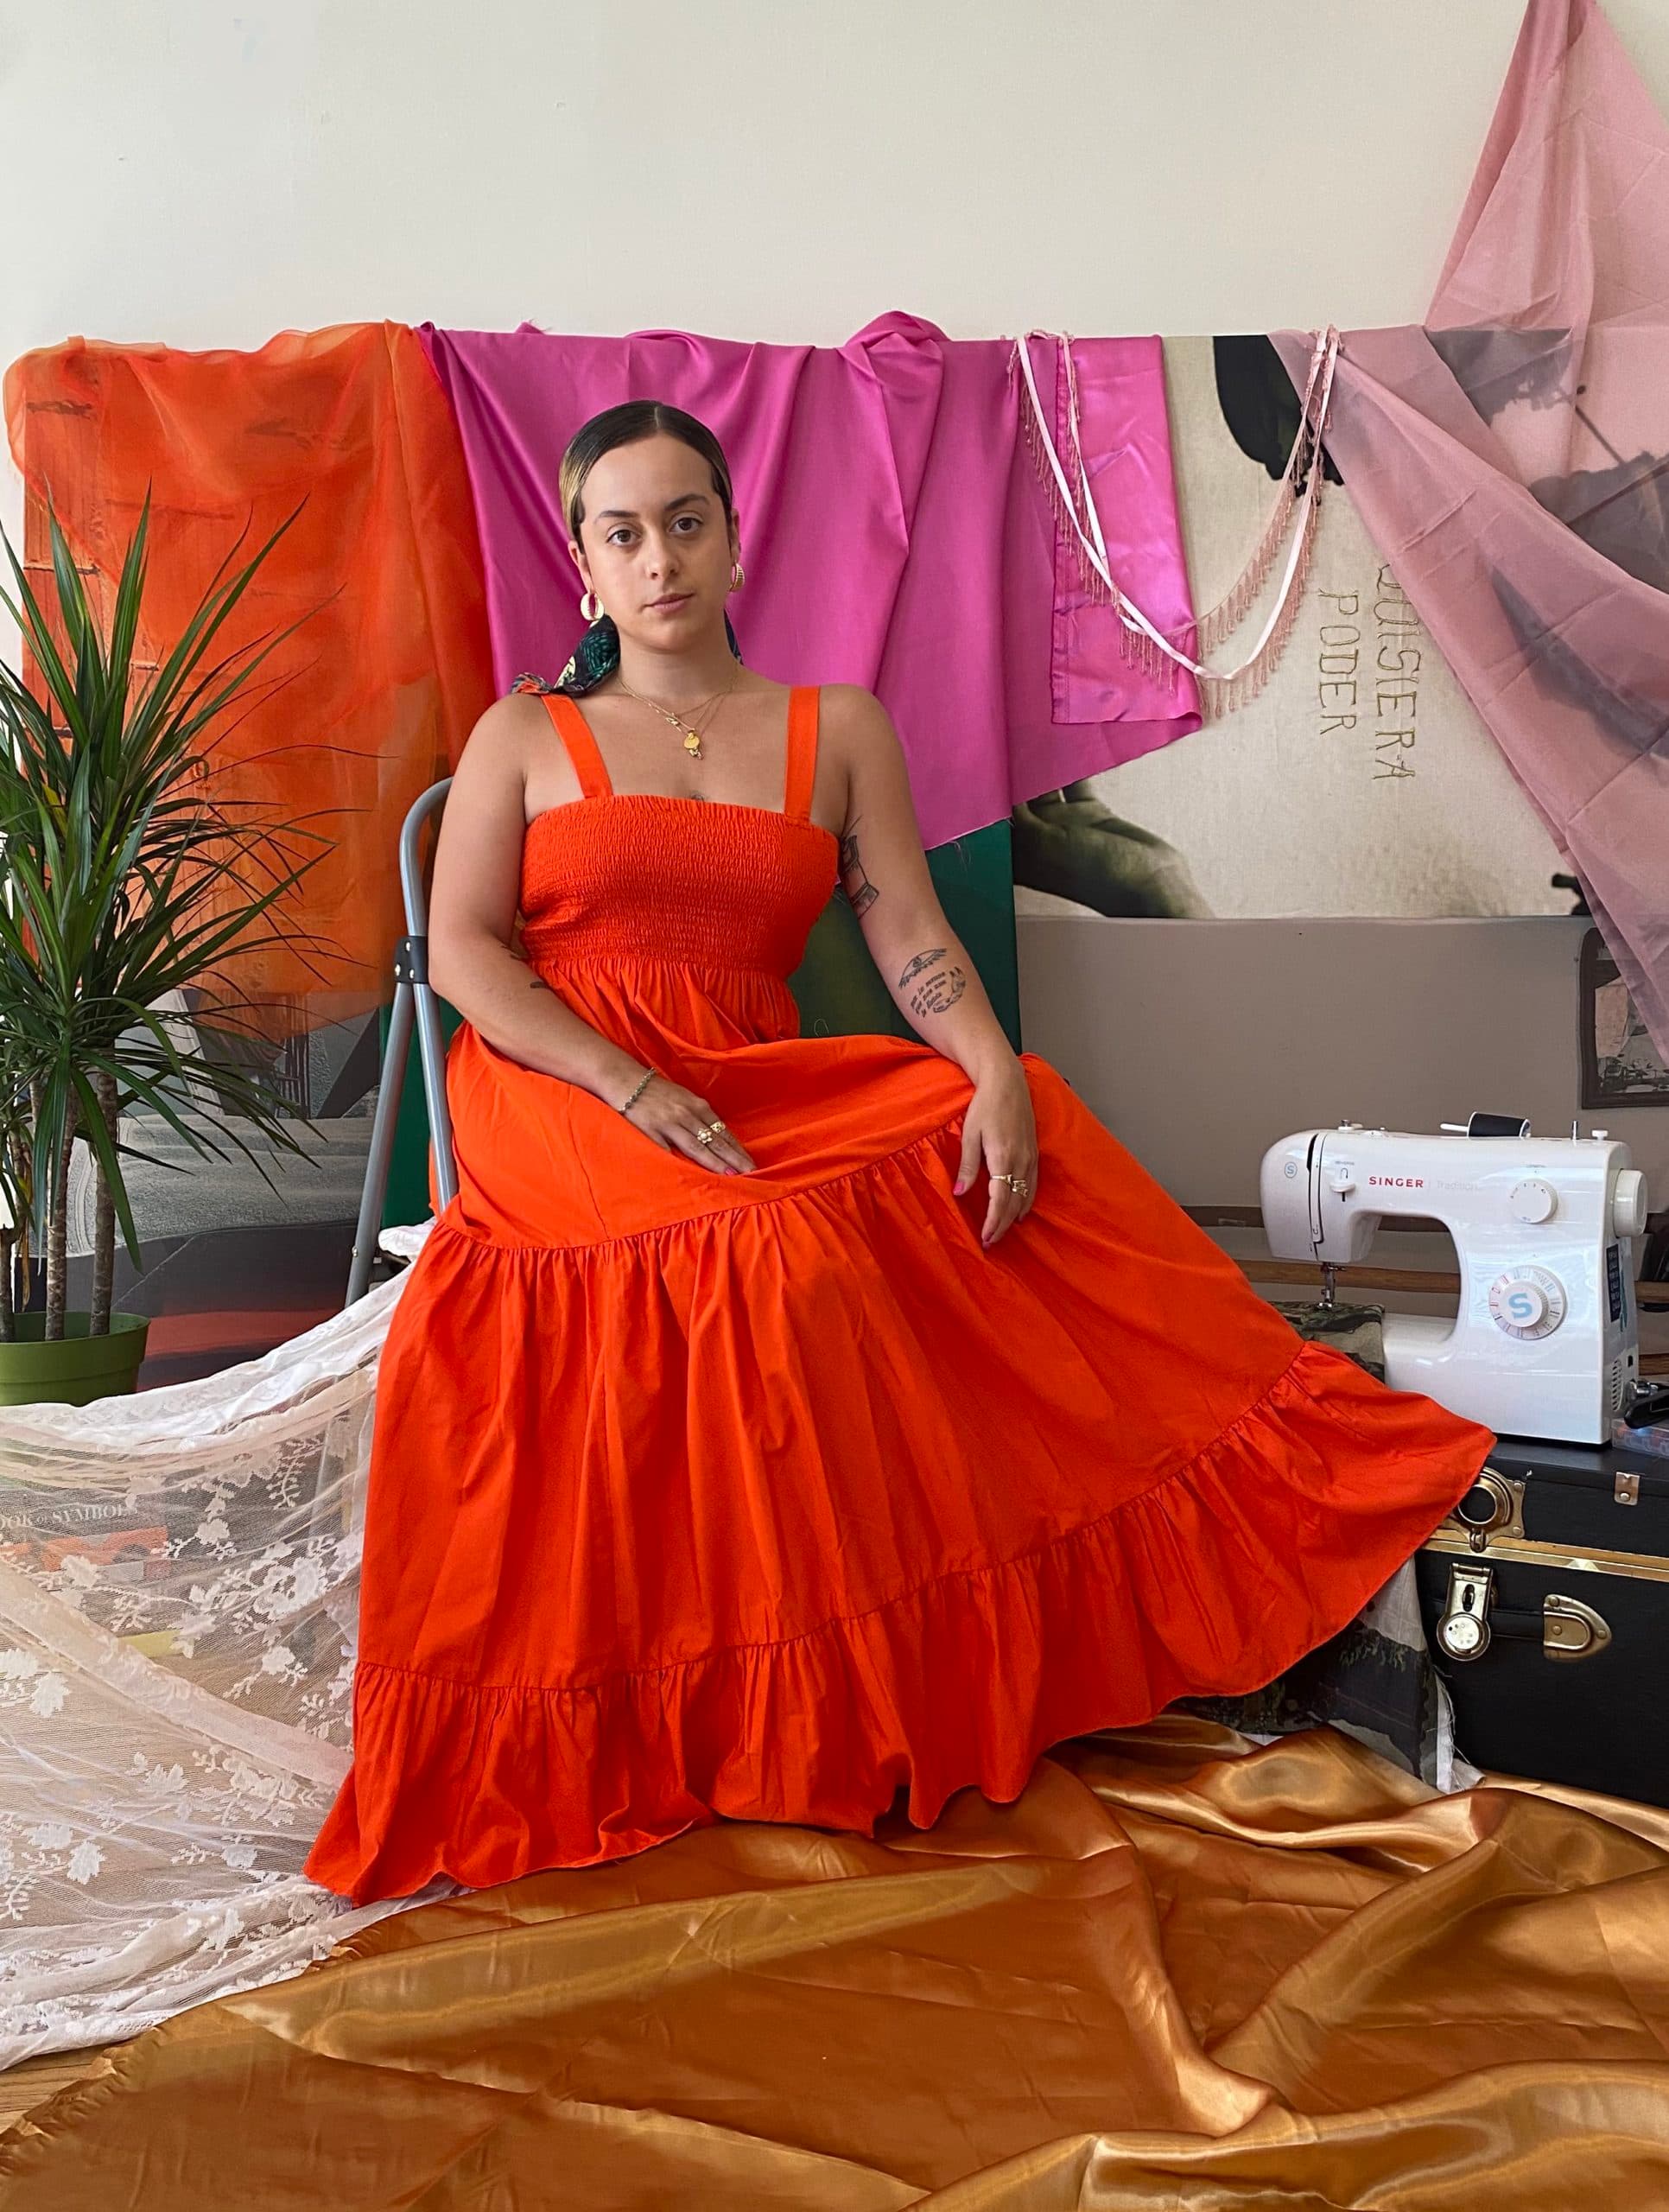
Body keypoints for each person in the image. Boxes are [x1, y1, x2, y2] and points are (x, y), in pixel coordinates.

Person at [302, 401, 1494, 1905]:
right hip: (559, 1077)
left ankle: (1250, 1495)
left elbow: (909, 932)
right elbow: (465, 953)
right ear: (583, 561)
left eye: (685, 520)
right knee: (768, 1256)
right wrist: (621, 1083)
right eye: (623, 530)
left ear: (734, 537)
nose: (658, 556)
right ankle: (727, 1701)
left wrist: (992, 1068)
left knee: (1004, 1133)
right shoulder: (524, 734)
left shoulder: (836, 728)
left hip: (747, 1067)